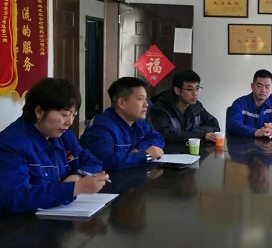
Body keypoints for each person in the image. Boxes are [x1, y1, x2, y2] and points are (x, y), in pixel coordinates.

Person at [0, 78, 108, 213]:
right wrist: (75, 188)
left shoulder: (65, 136)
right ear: (39, 112)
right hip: (20, 223)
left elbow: (93, 162)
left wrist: (77, 176)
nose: (70, 122)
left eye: (74, 115)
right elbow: (15, 197)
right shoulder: (12, 143)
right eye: (65, 115)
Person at [80, 77, 165, 170]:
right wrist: (145, 155)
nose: (146, 104)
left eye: (146, 99)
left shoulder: (138, 121)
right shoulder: (101, 126)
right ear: (121, 103)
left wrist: (138, 150)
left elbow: (158, 138)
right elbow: (106, 161)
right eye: (140, 99)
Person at [148, 70, 220, 143]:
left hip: (194, 148)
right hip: (170, 149)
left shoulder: (197, 106)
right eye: (190, 89)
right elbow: (168, 135)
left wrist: (197, 133)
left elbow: (214, 125)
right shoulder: (160, 109)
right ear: (177, 91)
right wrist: (201, 135)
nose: (195, 93)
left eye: (197, 88)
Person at [227, 69, 272, 138]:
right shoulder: (240, 103)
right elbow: (233, 125)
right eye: (259, 86)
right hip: (245, 144)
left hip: (271, 143)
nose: (263, 90)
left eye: (267, 87)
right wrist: (256, 132)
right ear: (252, 86)